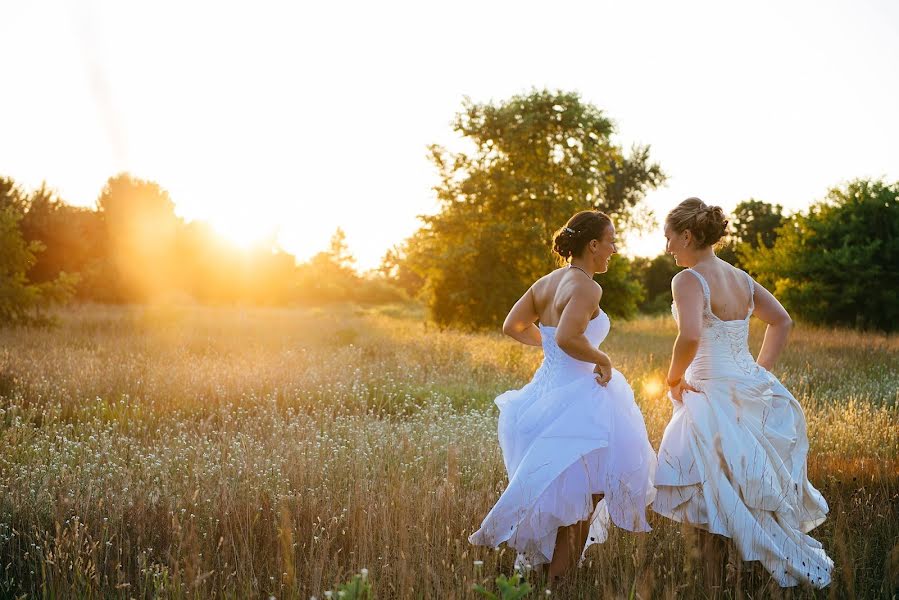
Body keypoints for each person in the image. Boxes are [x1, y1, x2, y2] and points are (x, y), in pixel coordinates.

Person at [654, 197, 833, 588]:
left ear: (686, 235)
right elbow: (781, 321)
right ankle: (745, 577)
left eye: (669, 238)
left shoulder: (687, 279)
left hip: (708, 392)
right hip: (747, 389)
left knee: (709, 491)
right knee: (744, 487)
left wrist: (671, 379)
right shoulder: (740, 278)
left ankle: (714, 583)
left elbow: (689, 335)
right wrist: (758, 371)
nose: (667, 247)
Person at [469, 210, 656, 579]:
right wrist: (602, 359)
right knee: (586, 497)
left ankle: (546, 577)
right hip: (577, 401)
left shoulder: (546, 282)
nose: (614, 249)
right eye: (611, 241)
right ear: (592, 245)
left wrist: (548, 346)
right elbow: (570, 338)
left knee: (569, 494)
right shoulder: (587, 286)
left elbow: (512, 326)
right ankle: (558, 582)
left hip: (542, 396)